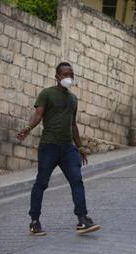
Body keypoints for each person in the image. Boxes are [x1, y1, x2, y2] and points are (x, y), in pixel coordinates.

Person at [17, 62, 100, 236]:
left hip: (68, 149)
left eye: (71, 74)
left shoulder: (73, 99)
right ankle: (34, 221)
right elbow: (38, 114)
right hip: (49, 147)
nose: (69, 77)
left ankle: (82, 219)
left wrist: (80, 146)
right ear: (57, 77)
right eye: (65, 74)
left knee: (77, 180)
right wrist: (27, 128)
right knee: (41, 183)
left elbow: (73, 124)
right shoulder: (47, 94)